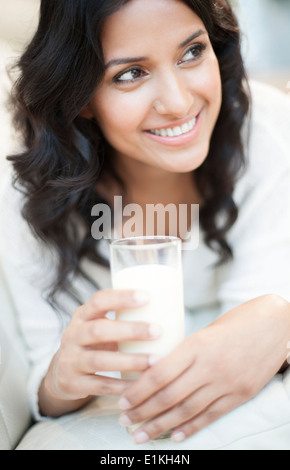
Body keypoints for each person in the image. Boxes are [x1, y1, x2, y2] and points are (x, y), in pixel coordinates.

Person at [1, 0, 290, 449]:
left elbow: (256, 332)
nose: (178, 103)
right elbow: (45, 381)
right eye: (130, 74)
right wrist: (62, 379)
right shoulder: (26, 196)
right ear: (82, 98)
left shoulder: (268, 130)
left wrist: (279, 318)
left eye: (192, 52)